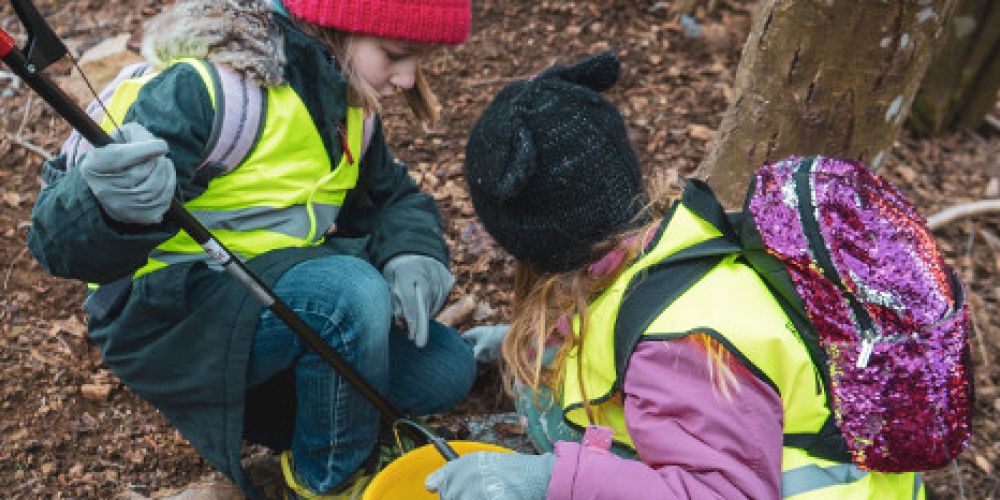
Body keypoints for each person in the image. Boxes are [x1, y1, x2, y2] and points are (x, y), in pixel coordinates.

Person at [27, 0, 476, 497]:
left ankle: (311, 414)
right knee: (349, 294)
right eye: (395, 54)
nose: (408, 79)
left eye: (421, 61)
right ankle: (327, 478)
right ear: (336, 27)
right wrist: (108, 202)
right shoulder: (209, 90)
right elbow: (56, 245)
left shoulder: (349, 107)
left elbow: (390, 197)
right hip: (169, 320)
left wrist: (413, 252)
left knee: (445, 370)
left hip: (276, 308)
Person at [426, 52, 925, 499]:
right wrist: (539, 344)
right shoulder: (669, 236)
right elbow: (609, 309)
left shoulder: (678, 347)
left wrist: (547, 480)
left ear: (533, 242)